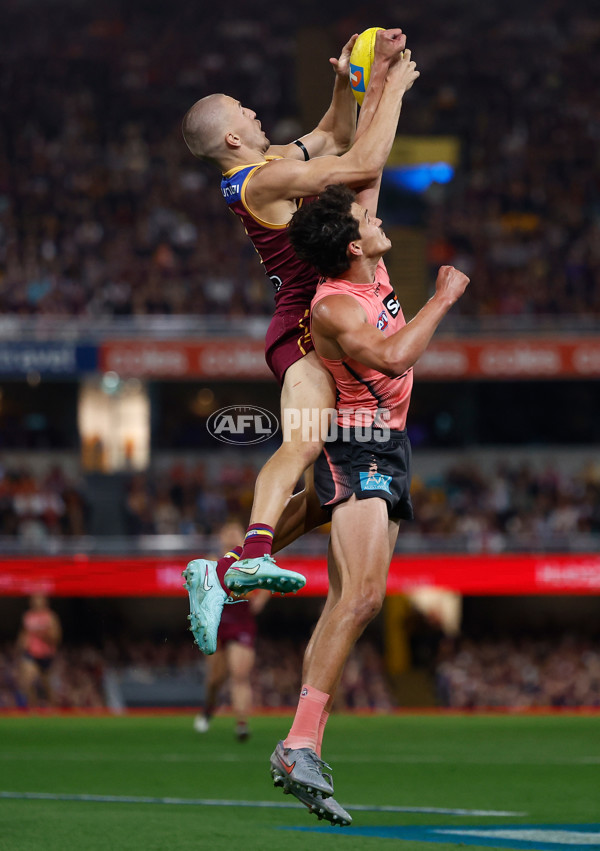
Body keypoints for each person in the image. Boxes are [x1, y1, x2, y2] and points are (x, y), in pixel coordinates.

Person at [181, 30, 415, 658]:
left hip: (313, 320)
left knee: (324, 489)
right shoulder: (265, 179)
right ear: (232, 138)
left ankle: (226, 569)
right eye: (245, 111)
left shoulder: (264, 168)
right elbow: (361, 164)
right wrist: (393, 87)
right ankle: (254, 549)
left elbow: (334, 135)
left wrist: (347, 82)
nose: (256, 113)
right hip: (305, 330)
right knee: (307, 444)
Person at [268, 175, 470, 822]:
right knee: (359, 596)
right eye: (366, 217)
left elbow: (371, 167)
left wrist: (380, 80)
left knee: (354, 598)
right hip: (356, 443)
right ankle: (297, 741)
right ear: (353, 245)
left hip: (388, 447)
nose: (378, 218)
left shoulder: (369, 261)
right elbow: (389, 357)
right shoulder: (336, 306)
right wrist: (441, 300)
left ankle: (303, 744)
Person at [193, 520, 270, 741]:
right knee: (215, 678)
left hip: (241, 621)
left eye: (235, 533)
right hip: (217, 622)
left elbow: (267, 580)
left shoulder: (252, 561)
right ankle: (209, 708)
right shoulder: (210, 561)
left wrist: (260, 600)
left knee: (239, 674)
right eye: (226, 532)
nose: (230, 536)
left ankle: (242, 724)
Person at [18, 593, 62, 708]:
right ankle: (32, 710)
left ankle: (54, 710)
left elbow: (56, 637)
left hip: (47, 655)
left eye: (38, 599)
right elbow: (24, 633)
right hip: (31, 653)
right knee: (28, 680)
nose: (36, 602)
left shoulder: (50, 617)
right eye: (34, 600)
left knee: (48, 685)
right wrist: (21, 644)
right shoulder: (28, 616)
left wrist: (42, 634)